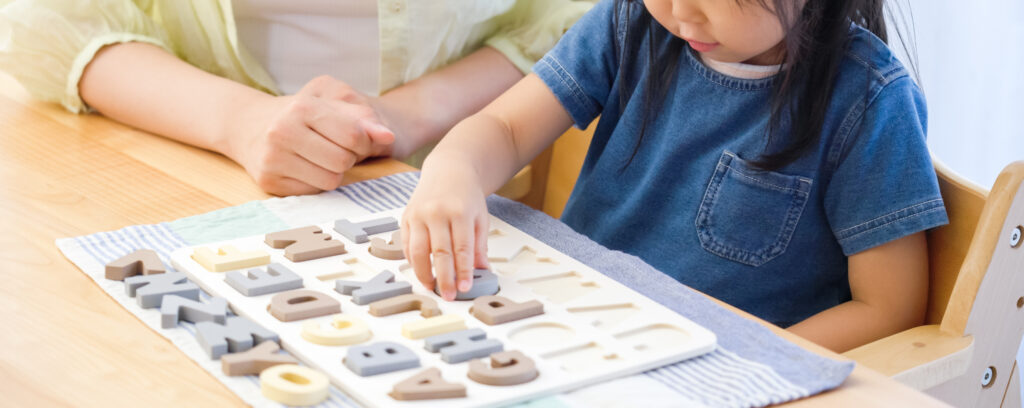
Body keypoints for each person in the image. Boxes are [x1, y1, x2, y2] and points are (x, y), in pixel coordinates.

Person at [401, 0, 949, 352]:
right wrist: (453, 170)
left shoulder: (869, 99)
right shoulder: (628, 23)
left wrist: (733, 359)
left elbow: (888, 309)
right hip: (567, 333)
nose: (681, 12)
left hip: (713, 370)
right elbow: (505, 128)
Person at [0, 0, 595, 195]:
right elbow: (41, 18)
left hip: (440, 190)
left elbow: (577, 17)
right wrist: (241, 121)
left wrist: (409, 114)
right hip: (180, 165)